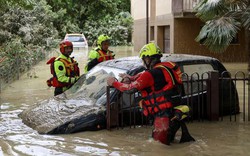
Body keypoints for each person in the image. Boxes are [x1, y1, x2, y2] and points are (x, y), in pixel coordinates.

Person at [107, 42, 195, 145]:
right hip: (173, 113)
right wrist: (129, 77)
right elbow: (141, 76)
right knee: (168, 143)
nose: (143, 62)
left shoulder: (150, 74)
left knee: (159, 147)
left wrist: (114, 83)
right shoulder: (164, 69)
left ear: (148, 59)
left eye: (144, 59)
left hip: (163, 117)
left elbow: (129, 89)